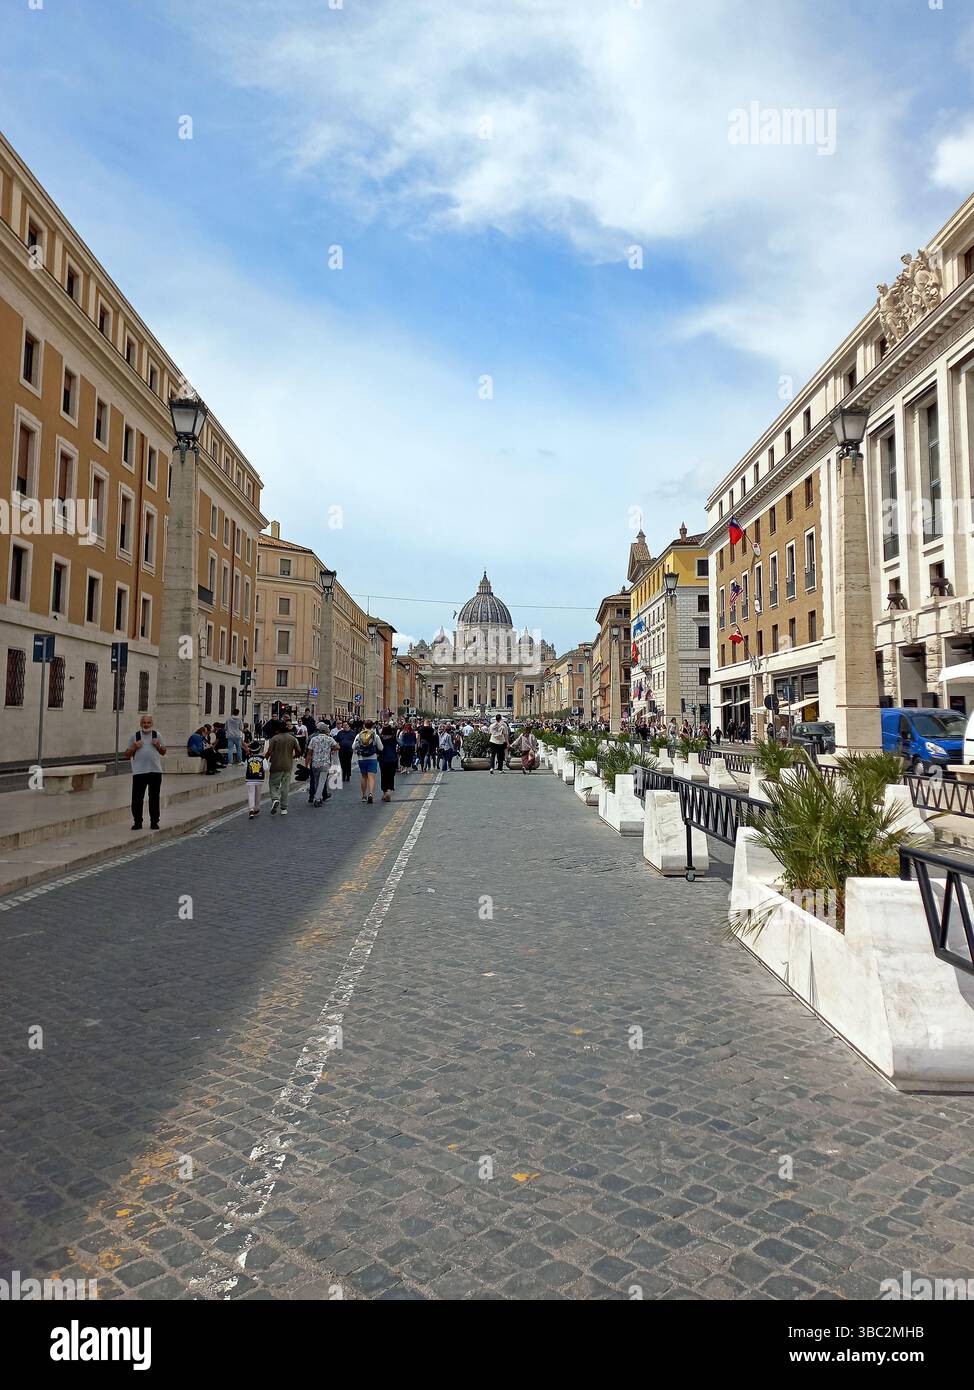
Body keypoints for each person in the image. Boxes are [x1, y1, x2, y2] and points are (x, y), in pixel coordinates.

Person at [125, 714, 166, 829]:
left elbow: (163, 751)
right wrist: (134, 747)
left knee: (154, 797)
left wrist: (158, 746)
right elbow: (127, 755)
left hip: (155, 771)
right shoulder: (135, 736)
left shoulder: (157, 735)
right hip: (139, 772)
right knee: (137, 798)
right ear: (140, 724)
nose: (146, 725)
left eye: (148, 723)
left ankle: (154, 822)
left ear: (152, 724)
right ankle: (137, 822)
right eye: (144, 723)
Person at [265, 722, 301, 816]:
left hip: (276, 765)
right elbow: (299, 750)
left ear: (277, 730)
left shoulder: (275, 738)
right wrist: (294, 756)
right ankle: (284, 808)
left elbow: (269, 751)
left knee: (273, 784)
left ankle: (275, 798)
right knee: (285, 787)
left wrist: (264, 759)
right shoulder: (292, 738)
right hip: (288, 765)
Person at [305, 722, 339, 806]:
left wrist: (306, 764)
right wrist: (331, 748)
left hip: (315, 763)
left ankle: (318, 797)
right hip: (325, 763)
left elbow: (309, 752)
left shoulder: (314, 739)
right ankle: (317, 799)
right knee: (322, 781)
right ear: (326, 730)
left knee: (316, 781)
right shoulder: (329, 739)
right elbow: (337, 747)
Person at [353, 720, 382, 803]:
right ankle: (371, 794)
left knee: (364, 777)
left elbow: (353, 746)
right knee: (371, 777)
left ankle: (363, 796)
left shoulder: (359, 735)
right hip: (372, 758)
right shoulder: (375, 735)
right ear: (372, 726)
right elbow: (381, 748)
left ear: (364, 726)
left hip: (362, 758)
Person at [243, 735, 265, 819]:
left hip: (249, 779)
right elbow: (266, 767)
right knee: (258, 794)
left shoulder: (248, 758)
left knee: (251, 793)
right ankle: (257, 808)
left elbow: (245, 767)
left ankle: (251, 809)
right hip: (259, 779)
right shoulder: (262, 758)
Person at [378, 723, 398, 801]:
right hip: (393, 759)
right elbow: (401, 743)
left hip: (383, 759)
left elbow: (378, 748)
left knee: (383, 775)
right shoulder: (393, 738)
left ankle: (384, 793)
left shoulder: (381, 738)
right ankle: (388, 791)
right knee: (391, 775)